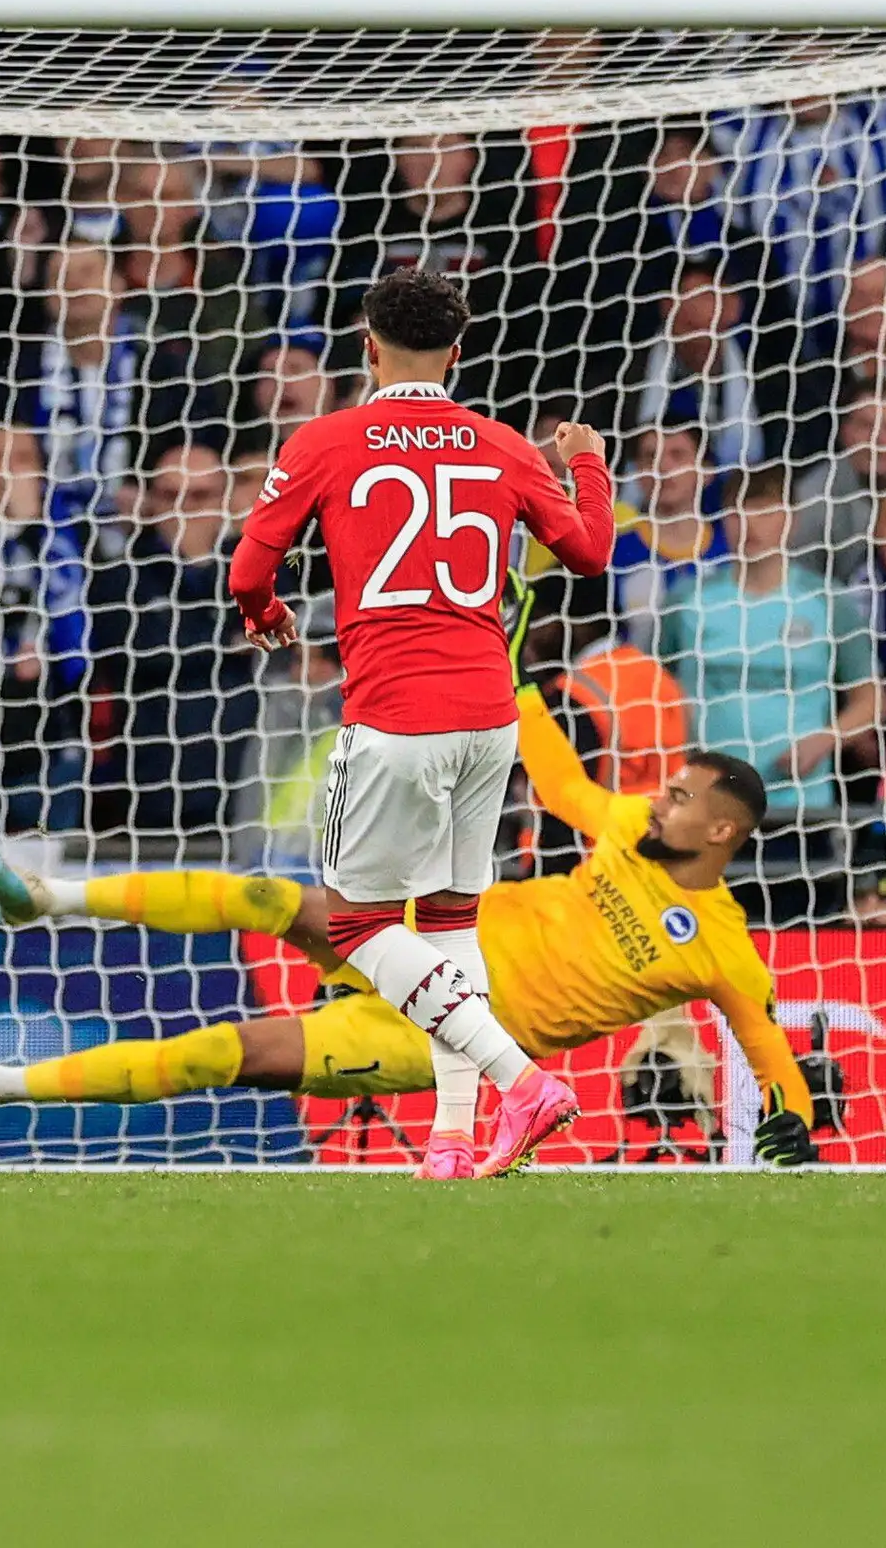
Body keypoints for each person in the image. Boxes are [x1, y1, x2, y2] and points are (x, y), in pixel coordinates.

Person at [0, 683, 823, 1166]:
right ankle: (47, 897)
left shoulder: (724, 949)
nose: (661, 801)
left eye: (685, 797)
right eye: (670, 786)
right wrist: (512, 675)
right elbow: (565, 781)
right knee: (269, 896)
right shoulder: (623, 826)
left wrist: (797, 1121)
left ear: (724, 831)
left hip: (437, 1032)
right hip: (419, 936)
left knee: (221, 1053)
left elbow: (761, 1042)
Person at [192, 266, 611, 1177]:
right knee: (452, 923)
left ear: (366, 345)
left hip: (394, 718)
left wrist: (265, 617)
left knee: (353, 927)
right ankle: (453, 1141)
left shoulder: (327, 440)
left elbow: (245, 573)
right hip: (488, 718)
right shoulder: (499, 445)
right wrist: (585, 460)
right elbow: (588, 553)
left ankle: (520, 1083)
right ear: (456, 354)